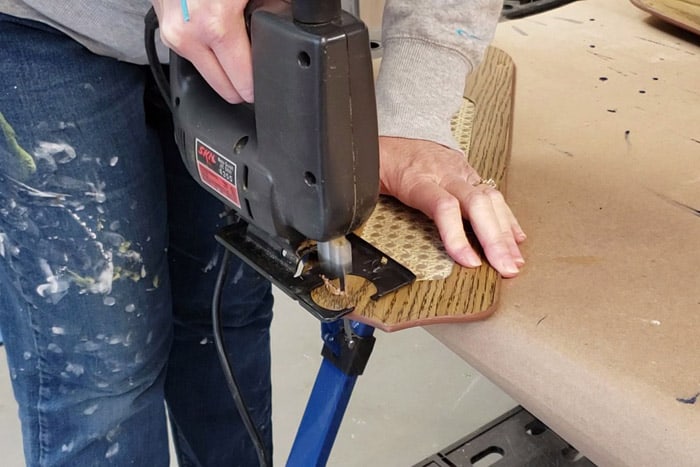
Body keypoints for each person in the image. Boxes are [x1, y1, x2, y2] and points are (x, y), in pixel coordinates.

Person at [0, 0, 525, 465]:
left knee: (227, 315)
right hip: (46, 27)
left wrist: (413, 111)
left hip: (255, 25)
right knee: (106, 370)